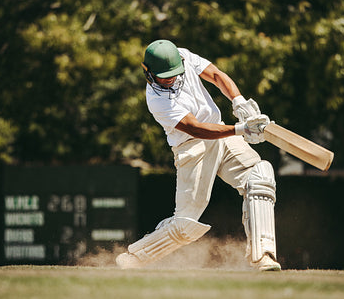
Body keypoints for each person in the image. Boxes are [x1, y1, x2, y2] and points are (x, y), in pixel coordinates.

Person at [116, 39, 281, 271]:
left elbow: (214, 74)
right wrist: (241, 129)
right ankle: (136, 258)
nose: (170, 79)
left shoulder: (182, 55)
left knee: (259, 177)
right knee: (185, 224)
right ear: (148, 72)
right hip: (193, 148)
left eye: (173, 73)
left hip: (221, 133)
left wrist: (239, 102)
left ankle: (262, 255)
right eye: (163, 76)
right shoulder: (157, 100)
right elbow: (194, 127)